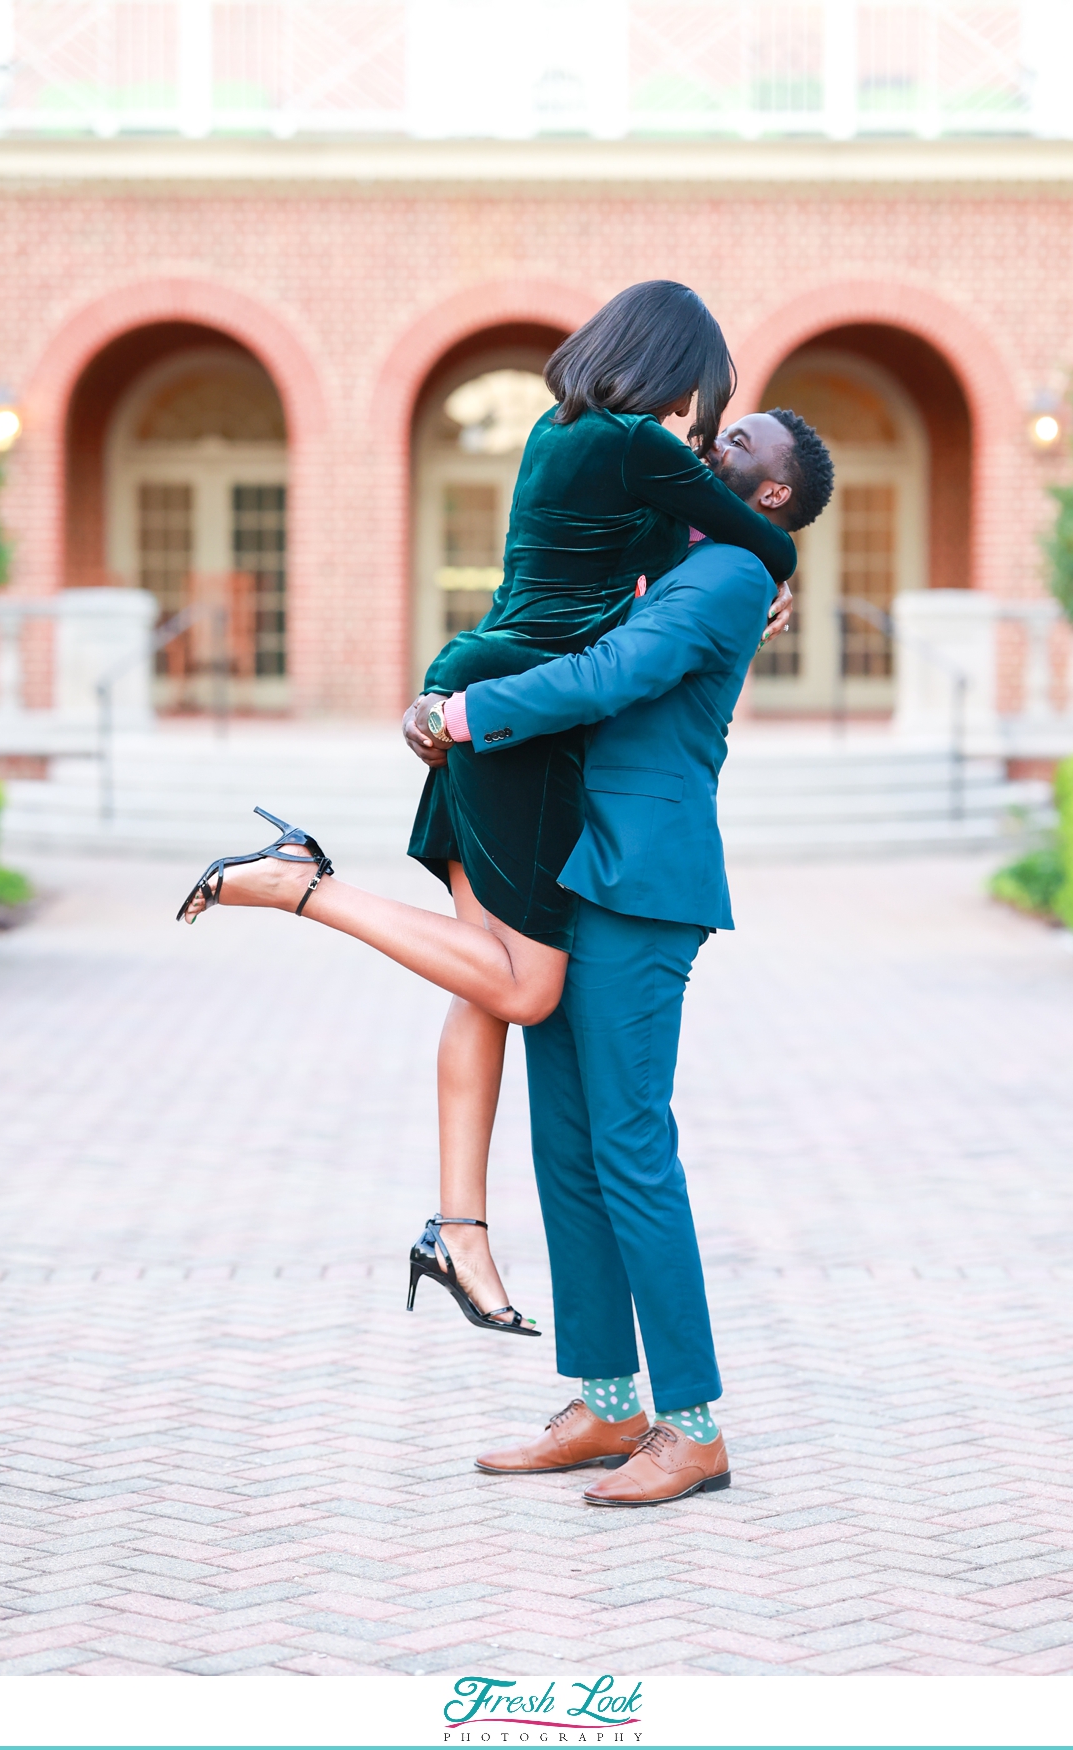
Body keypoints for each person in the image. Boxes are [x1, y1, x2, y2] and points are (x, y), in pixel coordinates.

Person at [179, 281, 798, 1334]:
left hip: (482, 682)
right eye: (707, 401)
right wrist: (778, 571)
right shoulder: (637, 446)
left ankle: (456, 1228)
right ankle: (300, 886)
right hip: (514, 715)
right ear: (669, 367)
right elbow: (761, 544)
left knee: (479, 976)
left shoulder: (559, 437)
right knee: (526, 988)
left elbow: (650, 564)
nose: (702, 426)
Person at [413, 408, 834, 1504]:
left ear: (776, 494)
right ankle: (608, 1406)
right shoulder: (677, 549)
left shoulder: (735, 572)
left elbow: (614, 673)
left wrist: (465, 714)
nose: (714, 442)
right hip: (570, 861)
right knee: (568, 1149)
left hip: (643, 878)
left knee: (633, 1148)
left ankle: (692, 1429)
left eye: (741, 442)